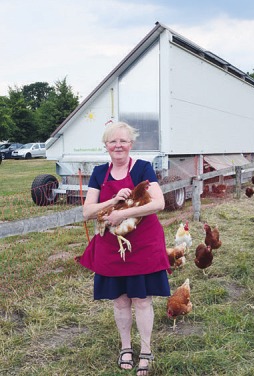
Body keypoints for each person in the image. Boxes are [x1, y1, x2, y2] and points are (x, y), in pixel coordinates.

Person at [76, 121, 171, 375]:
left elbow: (158, 203)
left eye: (123, 141)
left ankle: (147, 349)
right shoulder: (99, 173)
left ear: (131, 144)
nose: (118, 145)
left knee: (142, 300)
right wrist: (113, 202)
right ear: (106, 145)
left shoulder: (143, 168)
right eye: (113, 141)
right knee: (119, 302)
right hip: (112, 246)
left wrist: (124, 212)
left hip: (143, 244)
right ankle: (126, 347)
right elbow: (87, 211)